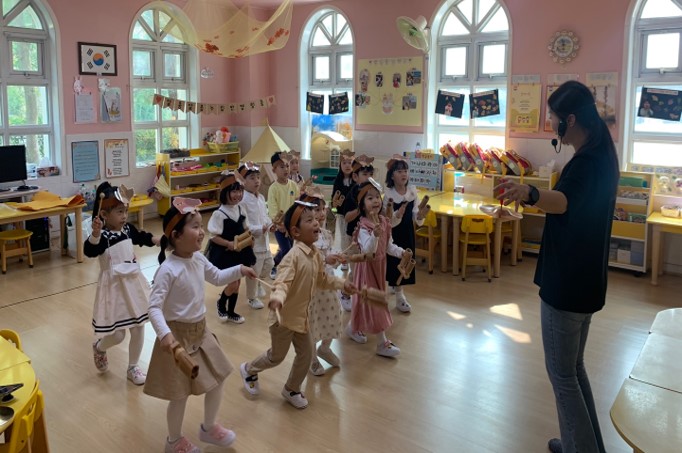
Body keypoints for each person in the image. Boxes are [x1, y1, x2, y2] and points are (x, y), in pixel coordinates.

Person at [495, 80, 619, 453]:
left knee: (563, 376)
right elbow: (572, 204)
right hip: (586, 279)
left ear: (570, 119)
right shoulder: (601, 153)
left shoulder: (586, 161)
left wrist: (530, 193)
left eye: (552, 117)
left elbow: (564, 201)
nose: (550, 123)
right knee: (573, 369)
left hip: (567, 282)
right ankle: (581, 443)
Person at [144, 197, 257, 453]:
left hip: (201, 331)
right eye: (195, 226)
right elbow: (153, 308)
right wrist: (165, 335)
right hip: (177, 338)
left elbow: (216, 276)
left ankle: (208, 427)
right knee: (179, 394)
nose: (202, 231)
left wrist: (240, 269)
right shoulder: (168, 270)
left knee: (218, 377)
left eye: (201, 225)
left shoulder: (197, 259)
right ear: (176, 235)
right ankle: (174, 442)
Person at [239, 201, 356, 409]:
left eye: (316, 219)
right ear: (295, 231)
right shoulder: (292, 257)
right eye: (309, 220)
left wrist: (342, 284)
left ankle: (291, 388)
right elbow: (282, 283)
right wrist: (278, 297)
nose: (316, 223)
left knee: (306, 355)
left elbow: (322, 280)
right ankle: (248, 369)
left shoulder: (315, 254)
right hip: (283, 321)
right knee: (276, 357)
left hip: (302, 319)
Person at [85, 182, 159, 385]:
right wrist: (95, 234)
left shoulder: (127, 229)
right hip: (113, 289)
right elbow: (89, 251)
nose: (124, 215)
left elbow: (141, 237)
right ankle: (100, 347)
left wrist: (156, 240)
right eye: (119, 211)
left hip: (133, 284)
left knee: (139, 326)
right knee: (118, 336)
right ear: (104, 214)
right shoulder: (102, 236)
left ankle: (133, 367)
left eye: (125, 210)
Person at [346, 181, 406, 358]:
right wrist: (374, 235)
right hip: (367, 269)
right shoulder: (364, 226)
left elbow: (388, 246)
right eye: (369, 198)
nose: (375, 201)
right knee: (376, 303)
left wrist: (401, 252)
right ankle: (382, 343)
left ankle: (352, 328)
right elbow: (367, 250)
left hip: (379, 268)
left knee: (363, 302)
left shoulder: (384, 222)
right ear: (362, 205)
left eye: (377, 197)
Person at [301, 188, 344, 376]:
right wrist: (325, 259)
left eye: (322, 209)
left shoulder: (326, 234)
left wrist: (336, 258)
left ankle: (324, 348)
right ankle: (311, 358)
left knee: (334, 314)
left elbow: (329, 255)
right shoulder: (302, 238)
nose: (320, 213)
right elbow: (306, 261)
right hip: (311, 287)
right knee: (313, 321)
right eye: (315, 210)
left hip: (328, 284)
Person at [205, 172, 256, 324]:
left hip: (240, 251)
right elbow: (213, 236)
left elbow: (246, 229)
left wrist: (250, 239)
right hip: (225, 253)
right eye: (234, 191)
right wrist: (228, 243)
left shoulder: (240, 209)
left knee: (237, 282)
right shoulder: (219, 213)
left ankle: (231, 311)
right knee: (233, 283)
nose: (238, 195)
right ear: (225, 193)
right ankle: (221, 303)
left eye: (240, 191)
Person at [383, 155, 427, 313]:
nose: (404, 174)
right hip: (393, 234)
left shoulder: (412, 192)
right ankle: (395, 292)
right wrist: (397, 215)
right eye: (399, 171)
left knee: (406, 262)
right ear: (392, 175)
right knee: (393, 263)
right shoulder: (388, 194)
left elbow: (416, 216)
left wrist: (420, 216)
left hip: (407, 232)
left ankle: (399, 293)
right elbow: (386, 219)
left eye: (406, 171)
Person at [339, 154, 375, 311]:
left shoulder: (372, 191)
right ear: (355, 176)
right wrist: (359, 209)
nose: (369, 178)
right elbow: (347, 217)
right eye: (365, 174)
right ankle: (344, 293)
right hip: (353, 238)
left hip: (367, 237)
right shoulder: (353, 193)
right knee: (356, 271)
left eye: (371, 174)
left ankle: (363, 296)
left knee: (366, 270)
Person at [239, 162, 274, 310]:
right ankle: (252, 298)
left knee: (269, 264)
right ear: (243, 181)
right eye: (252, 178)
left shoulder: (261, 198)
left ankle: (259, 282)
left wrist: (270, 225)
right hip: (253, 243)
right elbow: (245, 225)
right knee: (254, 271)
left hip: (265, 241)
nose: (257, 181)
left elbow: (265, 216)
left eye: (258, 177)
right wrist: (260, 228)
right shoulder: (242, 201)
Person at [267, 151, 299, 280]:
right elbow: (273, 209)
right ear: (274, 170)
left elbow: (297, 204)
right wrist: (280, 225)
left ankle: (277, 263)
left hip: (292, 225)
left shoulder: (293, 185)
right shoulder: (273, 188)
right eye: (281, 166)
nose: (286, 169)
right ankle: (278, 267)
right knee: (286, 249)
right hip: (280, 226)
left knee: (290, 248)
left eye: (287, 165)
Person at [331, 149, 355, 267]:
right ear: (340, 165)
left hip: (353, 215)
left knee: (352, 238)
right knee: (344, 238)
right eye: (344, 163)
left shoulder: (355, 181)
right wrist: (334, 204)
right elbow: (334, 200)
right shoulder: (338, 180)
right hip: (341, 215)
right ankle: (344, 260)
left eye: (350, 163)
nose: (347, 165)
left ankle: (352, 260)